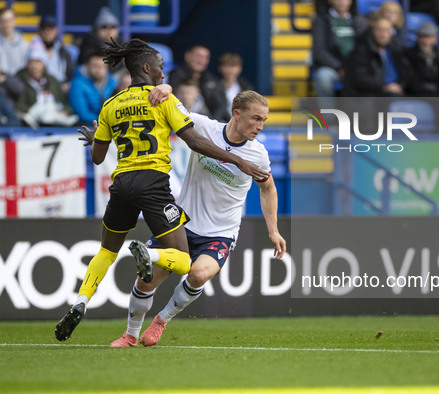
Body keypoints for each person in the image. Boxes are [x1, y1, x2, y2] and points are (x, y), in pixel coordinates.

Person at [54, 38, 268, 342]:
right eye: (161, 68)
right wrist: (238, 160)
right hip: (153, 185)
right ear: (147, 68)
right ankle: (150, 257)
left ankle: (81, 301)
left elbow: (98, 157)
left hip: (122, 184)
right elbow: (194, 141)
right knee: (183, 261)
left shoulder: (110, 105)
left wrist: (99, 137)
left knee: (106, 250)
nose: (163, 74)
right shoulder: (162, 101)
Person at [110, 89, 287, 347]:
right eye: (255, 118)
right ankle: (130, 335)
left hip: (221, 232)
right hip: (183, 225)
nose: (260, 126)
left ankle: (161, 320)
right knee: (146, 281)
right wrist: (166, 89)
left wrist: (273, 230)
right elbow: (170, 108)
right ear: (236, 114)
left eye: (264, 120)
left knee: (199, 274)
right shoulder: (204, 127)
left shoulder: (258, 154)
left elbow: (268, 188)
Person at [311, 0, 366, 97]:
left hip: (356, 67)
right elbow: (320, 51)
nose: (341, 2)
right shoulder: (321, 20)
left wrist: (353, 68)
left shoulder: (359, 20)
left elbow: (364, 49)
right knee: (323, 77)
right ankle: (327, 111)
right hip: (332, 68)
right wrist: (339, 67)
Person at [343, 16, 408, 97]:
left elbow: (406, 73)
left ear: (391, 33)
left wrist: (400, 85)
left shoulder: (397, 50)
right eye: (379, 30)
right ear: (372, 32)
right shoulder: (361, 50)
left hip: (396, 90)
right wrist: (384, 86)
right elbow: (359, 78)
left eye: (386, 31)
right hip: (372, 94)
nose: (382, 35)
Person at [16, 46, 78, 128]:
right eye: (31, 63)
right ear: (27, 64)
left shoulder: (52, 80)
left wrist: (66, 111)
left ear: (44, 64)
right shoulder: (20, 80)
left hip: (54, 115)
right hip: (33, 118)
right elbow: (20, 104)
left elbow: (63, 101)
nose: (34, 66)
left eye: (38, 62)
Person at [168, 45, 226, 120]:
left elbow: (220, 106)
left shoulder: (212, 80)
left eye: (206, 57)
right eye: (198, 56)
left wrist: (211, 123)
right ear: (187, 56)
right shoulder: (174, 76)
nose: (201, 61)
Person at [68, 51, 118, 125]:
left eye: (102, 67)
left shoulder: (113, 82)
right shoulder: (77, 84)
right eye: (95, 66)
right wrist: (106, 122)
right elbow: (82, 114)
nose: (98, 70)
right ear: (87, 66)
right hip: (87, 126)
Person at [29, 15, 75, 89]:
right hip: (38, 88)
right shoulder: (31, 52)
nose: (47, 31)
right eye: (44, 28)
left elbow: (70, 74)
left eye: (50, 28)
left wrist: (67, 85)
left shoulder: (63, 52)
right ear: (39, 30)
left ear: (56, 30)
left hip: (60, 89)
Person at [404, 22, 439, 97]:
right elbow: (410, 79)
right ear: (417, 38)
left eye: (428, 37)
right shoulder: (408, 54)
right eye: (422, 37)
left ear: (436, 39)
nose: (425, 41)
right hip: (416, 94)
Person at [77, 7, 123, 73]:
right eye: (104, 27)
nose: (108, 30)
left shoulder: (123, 46)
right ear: (96, 30)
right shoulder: (88, 45)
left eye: (112, 27)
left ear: (117, 30)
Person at [217, 53, 253, 121]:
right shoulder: (212, 87)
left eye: (233, 66)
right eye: (226, 66)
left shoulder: (246, 88)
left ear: (240, 68)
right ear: (220, 68)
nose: (230, 70)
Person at [0, 7, 29, 76]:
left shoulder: (25, 45)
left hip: (19, 83)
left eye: (9, 20)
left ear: (14, 21)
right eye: (3, 21)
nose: (6, 24)